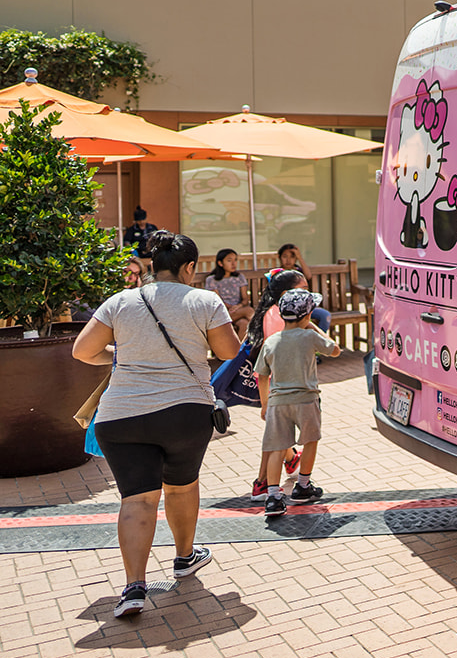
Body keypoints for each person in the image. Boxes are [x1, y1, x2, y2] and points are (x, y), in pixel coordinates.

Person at [70, 231, 240, 620]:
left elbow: (83, 351)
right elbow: (228, 351)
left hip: (120, 416)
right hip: (184, 413)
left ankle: (133, 587)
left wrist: (119, 353)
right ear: (190, 268)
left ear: (151, 265)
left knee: (138, 498)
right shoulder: (204, 300)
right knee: (181, 486)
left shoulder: (120, 301)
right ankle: (184, 558)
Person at [255, 288, 342, 518]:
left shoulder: (271, 341)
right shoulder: (310, 336)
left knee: (277, 446)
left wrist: (265, 404)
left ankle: (274, 497)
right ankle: (303, 486)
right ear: (306, 316)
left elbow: (262, 375)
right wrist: (314, 327)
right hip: (306, 399)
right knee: (311, 440)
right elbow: (335, 350)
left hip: (277, 402)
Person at [239, 269, 310, 500]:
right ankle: (262, 484)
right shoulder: (281, 317)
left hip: (276, 387)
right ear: (287, 294)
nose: (308, 296)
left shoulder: (271, 312)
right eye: (304, 290)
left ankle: (291, 460)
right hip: (282, 388)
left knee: (278, 435)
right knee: (276, 438)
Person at [275, 244, 332, 333]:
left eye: (292, 257)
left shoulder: (299, 272)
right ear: (279, 257)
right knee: (303, 322)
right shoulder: (277, 274)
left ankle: (319, 341)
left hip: (305, 307)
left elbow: (308, 276)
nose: (288, 260)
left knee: (325, 315)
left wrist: (300, 257)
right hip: (286, 309)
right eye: (285, 256)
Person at [203, 249, 255, 335]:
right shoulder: (212, 280)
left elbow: (245, 299)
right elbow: (217, 301)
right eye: (229, 260)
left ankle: (238, 348)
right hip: (221, 313)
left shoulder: (239, 277)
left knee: (244, 323)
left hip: (238, 311)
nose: (233, 263)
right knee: (249, 311)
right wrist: (231, 307)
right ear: (220, 263)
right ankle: (261, 332)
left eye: (235, 260)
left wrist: (238, 307)